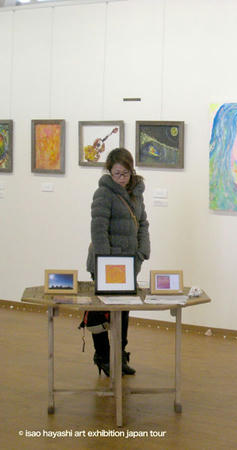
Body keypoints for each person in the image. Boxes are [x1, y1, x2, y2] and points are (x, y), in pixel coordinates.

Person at [84, 148, 150, 376]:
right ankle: (102, 356)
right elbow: (98, 231)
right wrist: (106, 264)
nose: (121, 178)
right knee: (100, 310)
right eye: (117, 174)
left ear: (132, 171)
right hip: (106, 263)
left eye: (125, 173)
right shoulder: (103, 194)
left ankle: (119, 356)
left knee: (123, 311)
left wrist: (142, 251)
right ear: (109, 172)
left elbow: (143, 223)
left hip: (129, 263)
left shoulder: (136, 193)